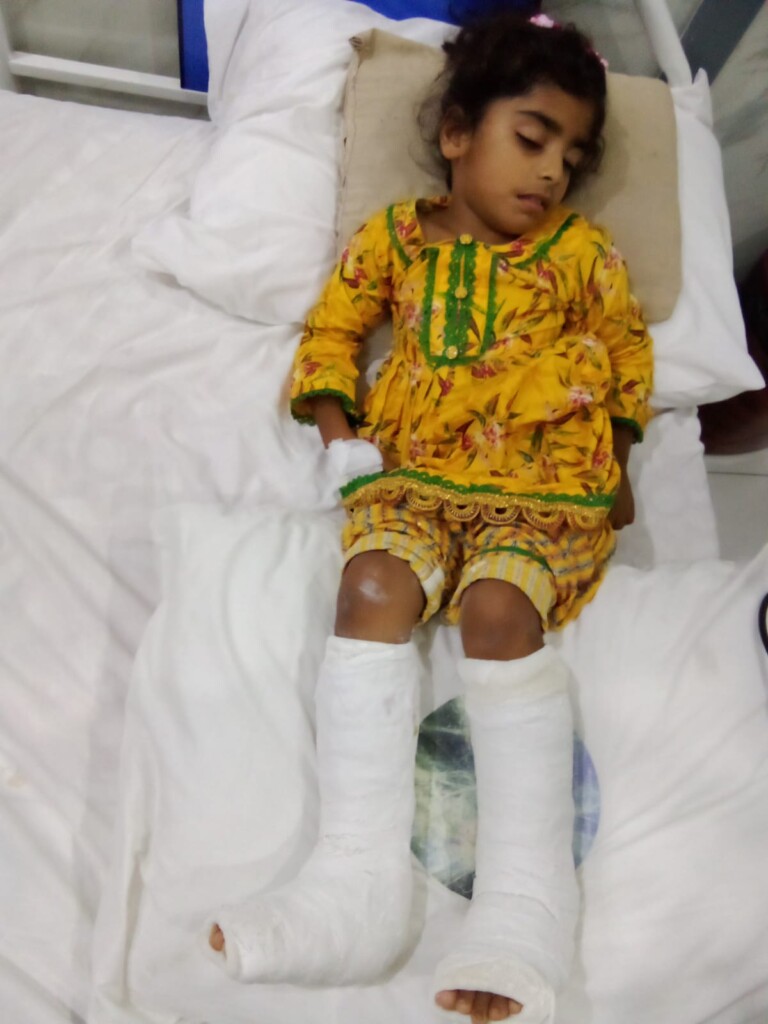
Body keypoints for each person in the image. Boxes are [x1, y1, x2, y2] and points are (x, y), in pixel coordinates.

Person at [207, 11, 652, 1024]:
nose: (552, 171)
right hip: (413, 473)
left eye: (573, 156)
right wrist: (340, 439)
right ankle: (353, 883)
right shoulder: (394, 239)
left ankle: (528, 900)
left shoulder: (583, 252)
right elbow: (332, 333)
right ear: (457, 134)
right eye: (530, 138)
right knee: (370, 585)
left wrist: (620, 461)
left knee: (498, 610)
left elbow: (626, 355)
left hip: (539, 476)